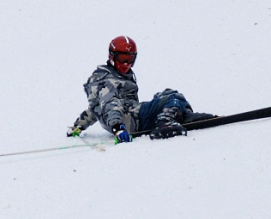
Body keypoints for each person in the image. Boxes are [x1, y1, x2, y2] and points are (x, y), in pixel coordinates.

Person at [67, 35, 215, 142]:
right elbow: (110, 104)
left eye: (131, 59)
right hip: (130, 120)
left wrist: (78, 126)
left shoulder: (104, 79)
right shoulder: (108, 81)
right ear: (111, 56)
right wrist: (118, 127)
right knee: (173, 97)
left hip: (130, 117)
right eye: (122, 59)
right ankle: (165, 122)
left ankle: (180, 117)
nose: (126, 64)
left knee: (164, 95)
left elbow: (95, 109)